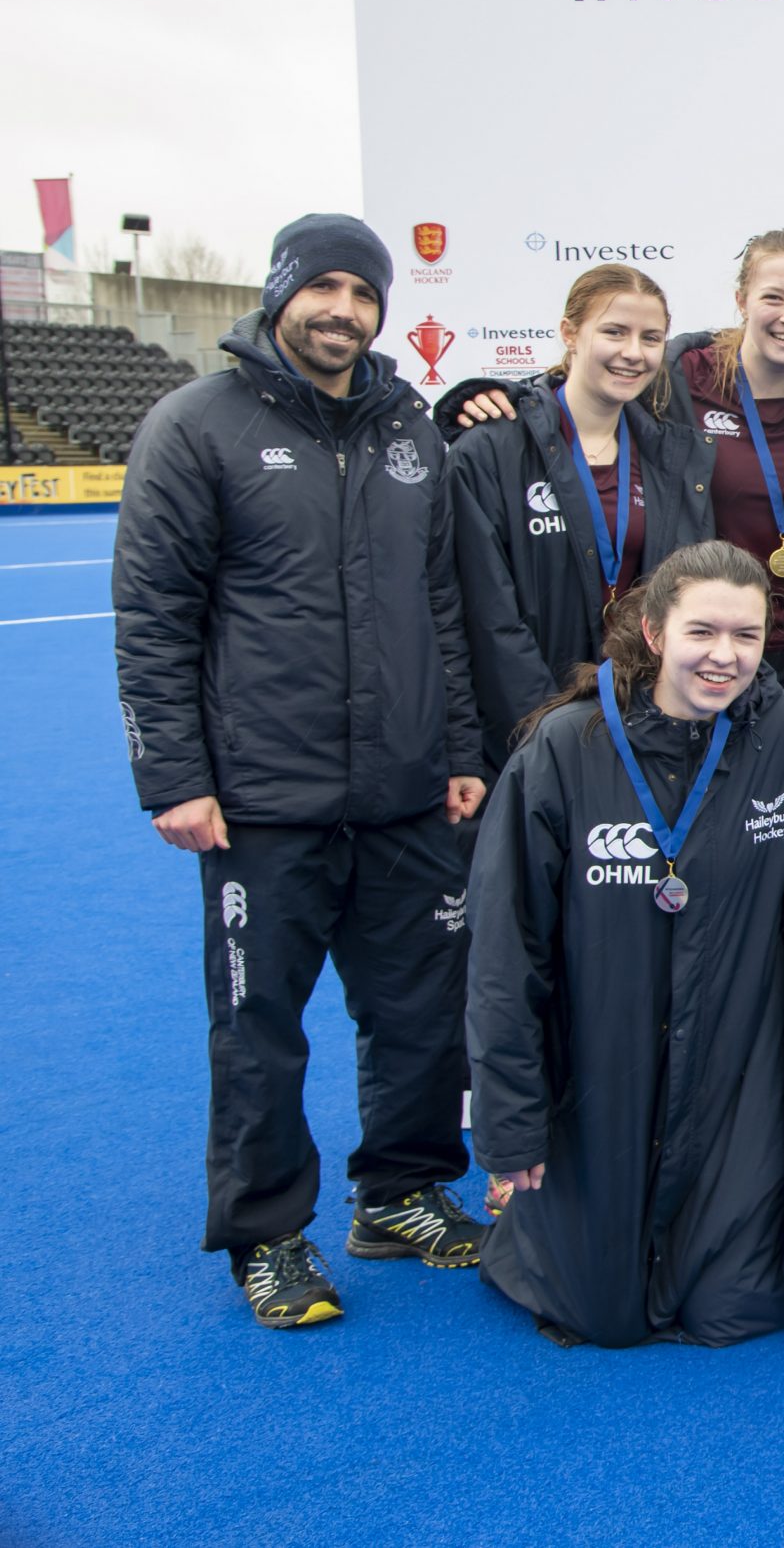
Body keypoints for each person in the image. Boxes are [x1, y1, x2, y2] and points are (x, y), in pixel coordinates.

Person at [114, 213, 488, 1328]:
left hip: (405, 792)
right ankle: (268, 1234)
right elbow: (153, 618)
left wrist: (457, 750)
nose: (344, 311)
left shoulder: (410, 430)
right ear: (281, 294)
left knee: (421, 1011)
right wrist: (173, 776)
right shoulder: (196, 424)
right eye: (324, 287)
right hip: (261, 803)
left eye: (364, 294)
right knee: (260, 1027)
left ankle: (402, 1193)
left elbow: (440, 607)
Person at [466, 541, 784, 1346]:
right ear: (655, 630)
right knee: (602, 1317)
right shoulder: (566, 748)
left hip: (730, 1084)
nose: (724, 655)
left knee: (729, 1310)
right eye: (703, 631)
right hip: (602, 1075)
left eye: (746, 635)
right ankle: (529, 1217)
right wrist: (509, 1122)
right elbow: (504, 952)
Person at [443, 263, 714, 782]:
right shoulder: (492, 447)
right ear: (570, 333)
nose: (633, 352)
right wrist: (553, 731)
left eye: (650, 337)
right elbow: (490, 617)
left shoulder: (669, 453)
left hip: (644, 727)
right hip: (530, 733)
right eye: (614, 331)